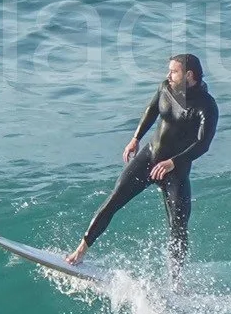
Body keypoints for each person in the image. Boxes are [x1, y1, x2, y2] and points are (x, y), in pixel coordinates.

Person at [67, 53, 218, 271]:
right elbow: (152, 110)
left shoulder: (206, 105)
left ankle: (176, 282)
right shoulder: (165, 88)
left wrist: (173, 162)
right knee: (113, 200)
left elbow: (203, 143)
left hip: (175, 170)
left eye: (174, 71)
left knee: (178, 228)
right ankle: (80, 250)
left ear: (189, 75)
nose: (168, 74)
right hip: (149, 158)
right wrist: (135, 138)